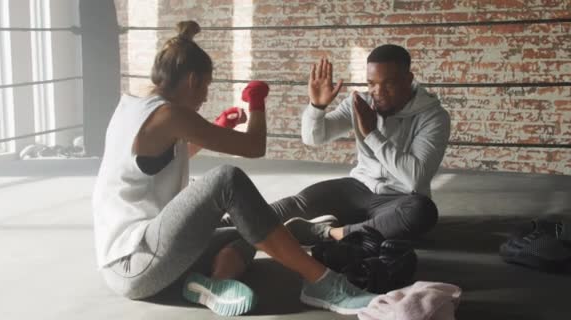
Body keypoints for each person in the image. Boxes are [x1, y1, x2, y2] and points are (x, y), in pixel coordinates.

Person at [92, 20, 374, 317]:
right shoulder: (170, 114)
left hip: (141, 257)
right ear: (192, 80)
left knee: (249, 228)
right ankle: (324, 283)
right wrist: (257, 102)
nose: (205, 97)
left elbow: (161, 161)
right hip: (135, 263)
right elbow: (254, 146)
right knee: (226, 180)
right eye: (206, 87)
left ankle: (213, 284)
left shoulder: (134, 106)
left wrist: (219, 127)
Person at [271, 44, 451, 246]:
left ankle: (326, 232)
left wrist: (372, 134)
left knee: (421, 212)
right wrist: (317, 107)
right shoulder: (360, 103)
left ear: (408, 80)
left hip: (399, 198)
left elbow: (415, 178)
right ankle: (234, 221)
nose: (378, 92)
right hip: (358, 188)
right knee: (301, 201)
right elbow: (314, 138)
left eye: (388, 84)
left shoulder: (434, 117)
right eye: (371, 83)